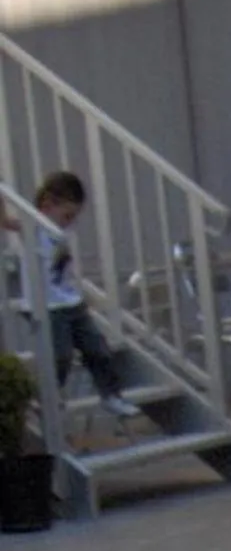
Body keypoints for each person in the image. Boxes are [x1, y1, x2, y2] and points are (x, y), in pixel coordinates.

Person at [21, 172, 138, 417]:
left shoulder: (60, 230)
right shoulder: (33, 225)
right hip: (48, 306)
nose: (69, 222)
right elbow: (5, 221)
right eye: (67, 215)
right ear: (47, 204)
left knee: (98, 349)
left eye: (73, 217)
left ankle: (111, 395)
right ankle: (48, 396)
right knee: (60, 355)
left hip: (71, 301)